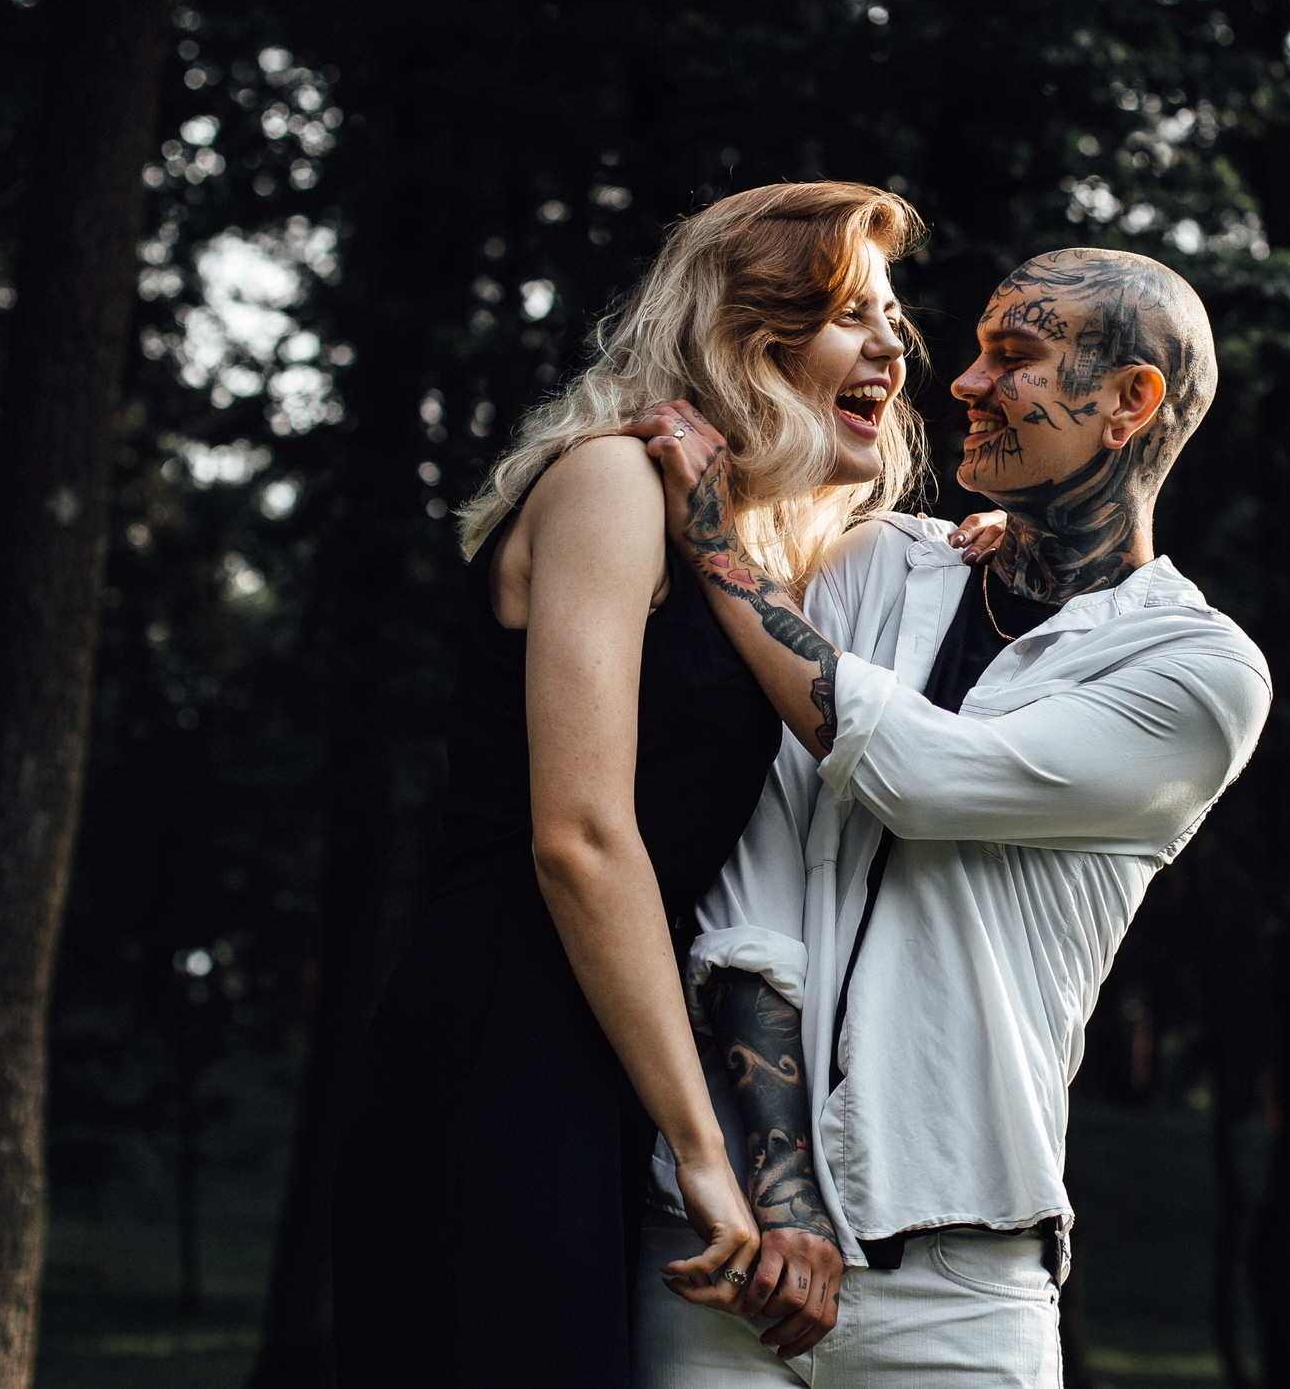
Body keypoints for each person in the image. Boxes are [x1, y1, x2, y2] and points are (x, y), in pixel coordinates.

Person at [625, 247, 1272, 1388]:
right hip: (727, 1256)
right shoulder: (878, 567)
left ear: (1131, 401)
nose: (964, 383)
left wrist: (717, 544)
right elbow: (755, 879)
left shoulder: (1198, 671)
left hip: (965, 1297)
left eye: (1013, 357)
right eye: (974, 351)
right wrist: (775, 1199)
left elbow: (921, 777)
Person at [329, 182, 935, 1388]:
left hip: (599, 1049)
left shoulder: (734, 551)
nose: (894, 346)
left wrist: (969, 554)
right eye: (852, 314)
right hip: (500, 1040)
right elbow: (582, 839)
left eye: (894, 319)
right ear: (747, 335)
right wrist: (706, 1148)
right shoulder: (610, 481)